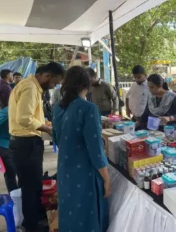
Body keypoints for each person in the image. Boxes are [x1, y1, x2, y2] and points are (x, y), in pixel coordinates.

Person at [52, 66, 111, 232]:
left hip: (65, 171)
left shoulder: (57, 107)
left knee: (70, 214)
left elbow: (57, 138)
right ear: (88, 84)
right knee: (86, 215)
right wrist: (106, 178)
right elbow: (96, 151)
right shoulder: (88, 109)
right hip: (84, 172)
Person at [9, 62, 64, 232]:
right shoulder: (30, 88)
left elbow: (30, 115)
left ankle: (37, 219)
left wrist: (44, 122)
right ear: (47, 76)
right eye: (54, 82)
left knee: (34, 184)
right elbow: (24, 119)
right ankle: (32, 226)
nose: (53, 86)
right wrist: (47, 128)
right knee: (30, 188)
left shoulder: (30, 86)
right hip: (26, 144)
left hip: (26, 143)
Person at [0, 91, 18, 193]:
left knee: (11, 172)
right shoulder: (7, 111)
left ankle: (15, 195)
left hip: (10, 144)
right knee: (11, 172)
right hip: (4, 146)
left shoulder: (8, 110)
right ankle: (14, 195)